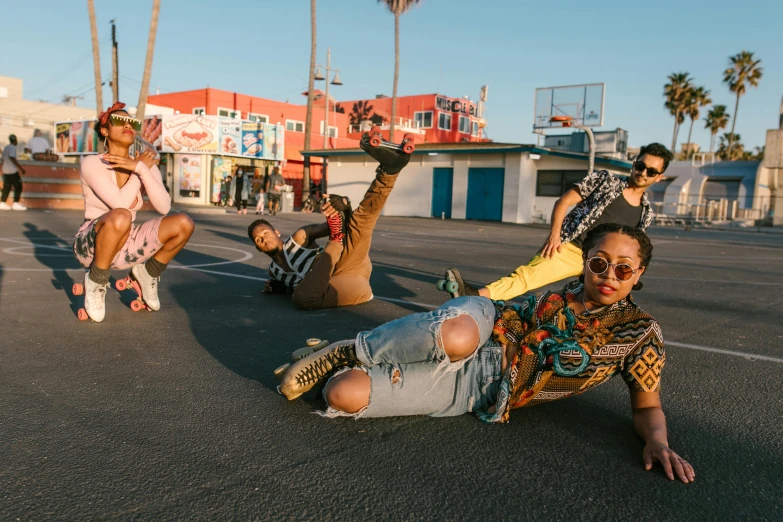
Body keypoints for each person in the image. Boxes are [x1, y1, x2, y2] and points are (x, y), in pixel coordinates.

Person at [278, 223, 695, 483]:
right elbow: (513, 317)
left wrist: (658, 442)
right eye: (599, 264)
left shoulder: (640, 333)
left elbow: (646, 407)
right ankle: (351, 349)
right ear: (585, 263)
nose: (608, 276)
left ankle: (343, 365)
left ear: (639, 275)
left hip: (481, 388)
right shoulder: (565, 294)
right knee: (456, 337)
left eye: (623, 268)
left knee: (342, 395)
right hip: (484, 324)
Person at [443, 143, 674, 301]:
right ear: (634, 164)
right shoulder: (606, 181)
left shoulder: (646, 213)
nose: (643, 173)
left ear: (659, 177)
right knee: (527, 277)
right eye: (640, 166)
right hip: (571, 249)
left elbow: (635, 248)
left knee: (593, 310)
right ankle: (472, 296)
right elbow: (564, 201)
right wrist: (556, 235)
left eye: (651, 171)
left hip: (603, 266)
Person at [247, 133, 410, 310]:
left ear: (276, 232)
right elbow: (301, 284)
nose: (264, 239)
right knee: (302, 298)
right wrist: (282, 288)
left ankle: (389, 171)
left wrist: (343, 205)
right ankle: (337, 240)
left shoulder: (299, 238)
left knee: (360, 221)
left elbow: (339, 226)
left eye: (265, 233)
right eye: (259, 240)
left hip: (347, 259)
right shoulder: (275, 271)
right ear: (258, 248)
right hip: (348, 283)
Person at [72, 102, 195, 322]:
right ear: (105, 130)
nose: (128, 124)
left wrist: (140, 169)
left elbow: (164, 207)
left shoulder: (144, 165)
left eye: (132, 122)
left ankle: (147, 274)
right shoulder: (92, 163)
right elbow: (120, 204)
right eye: (119, 120)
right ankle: (96, 281)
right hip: (92, 244)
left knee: (184, 223)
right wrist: (140, 168)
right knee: (122, 216)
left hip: (127, 244)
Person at [1, 134, 27, 211]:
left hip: (5, 170)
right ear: (15, 140)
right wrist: (21, 168)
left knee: (7, 187)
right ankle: (16, 203)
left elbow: (3, 159)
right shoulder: (12, 148)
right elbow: (12, 158)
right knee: (18, 186)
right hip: (12, 170)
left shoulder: (6, 148)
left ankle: (2, 203)